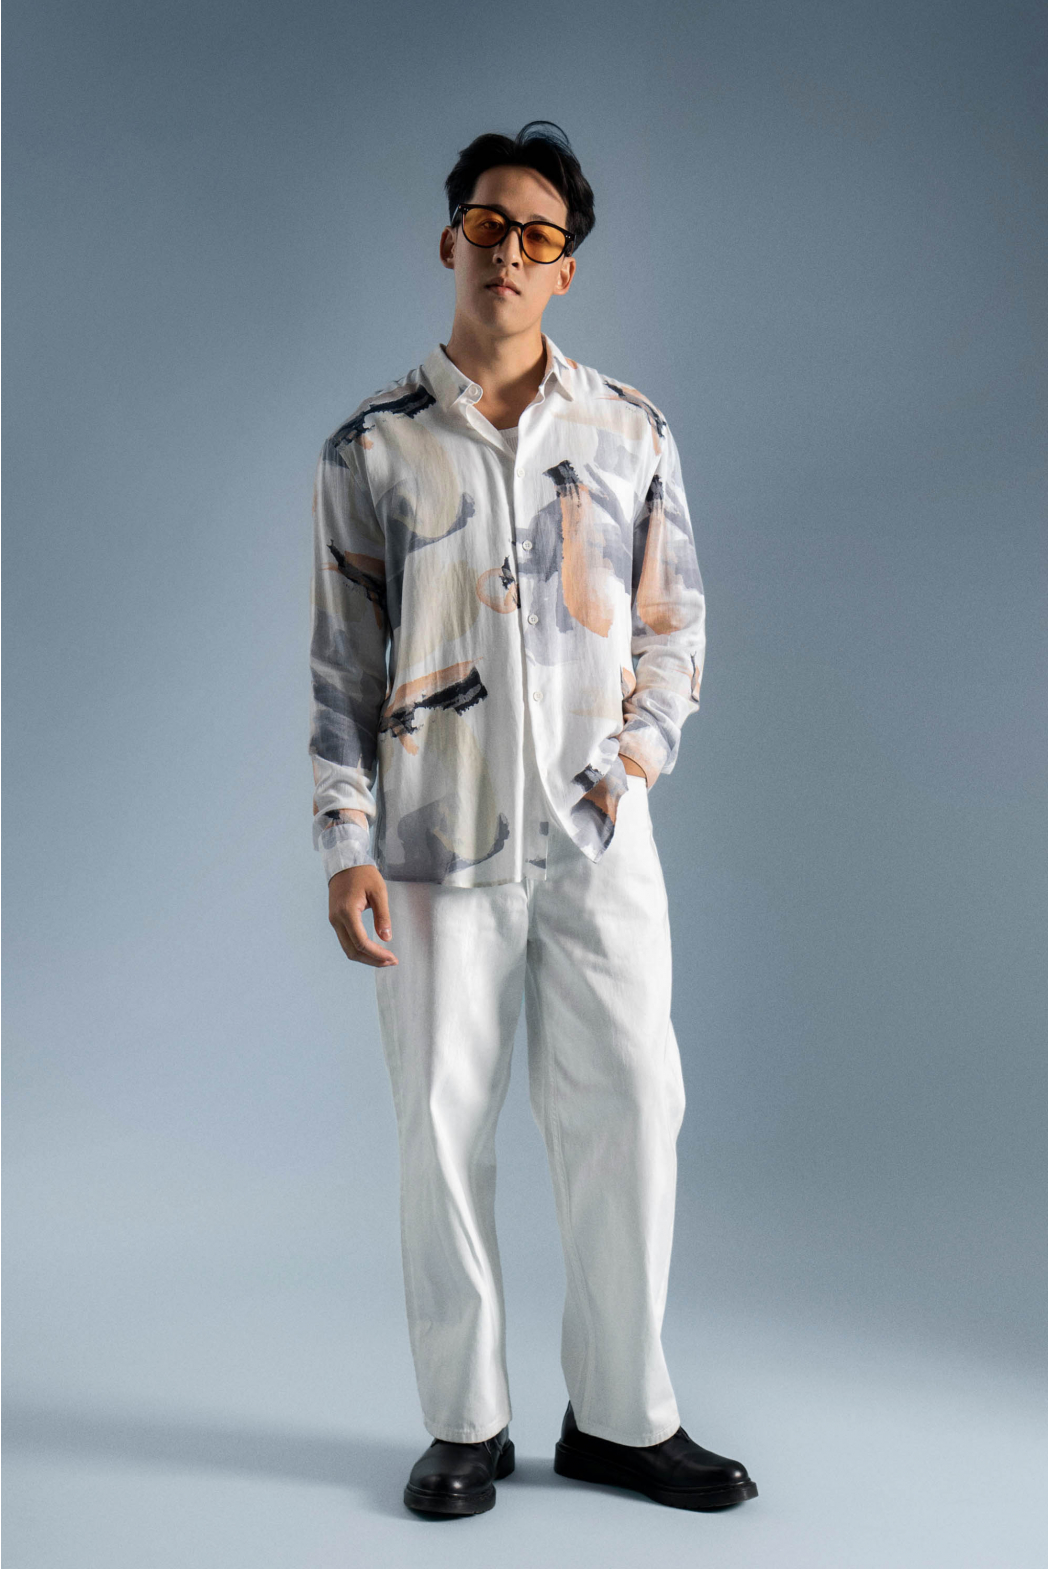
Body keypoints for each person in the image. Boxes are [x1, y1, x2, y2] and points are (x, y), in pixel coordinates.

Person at [308, 120, 757, 1519]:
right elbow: (342, 667)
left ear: (567, 268)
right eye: (490, 225)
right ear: (450, 240)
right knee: (441, 1130)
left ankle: (623, 1417)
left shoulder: (630, 430)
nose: (511, 251)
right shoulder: (373, 445)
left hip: (596, 844)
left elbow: (675, 632)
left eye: (540, 235)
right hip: (432, 848)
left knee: (633, 1107)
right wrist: (345, 842)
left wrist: (627, 771)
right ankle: (467, 1423)